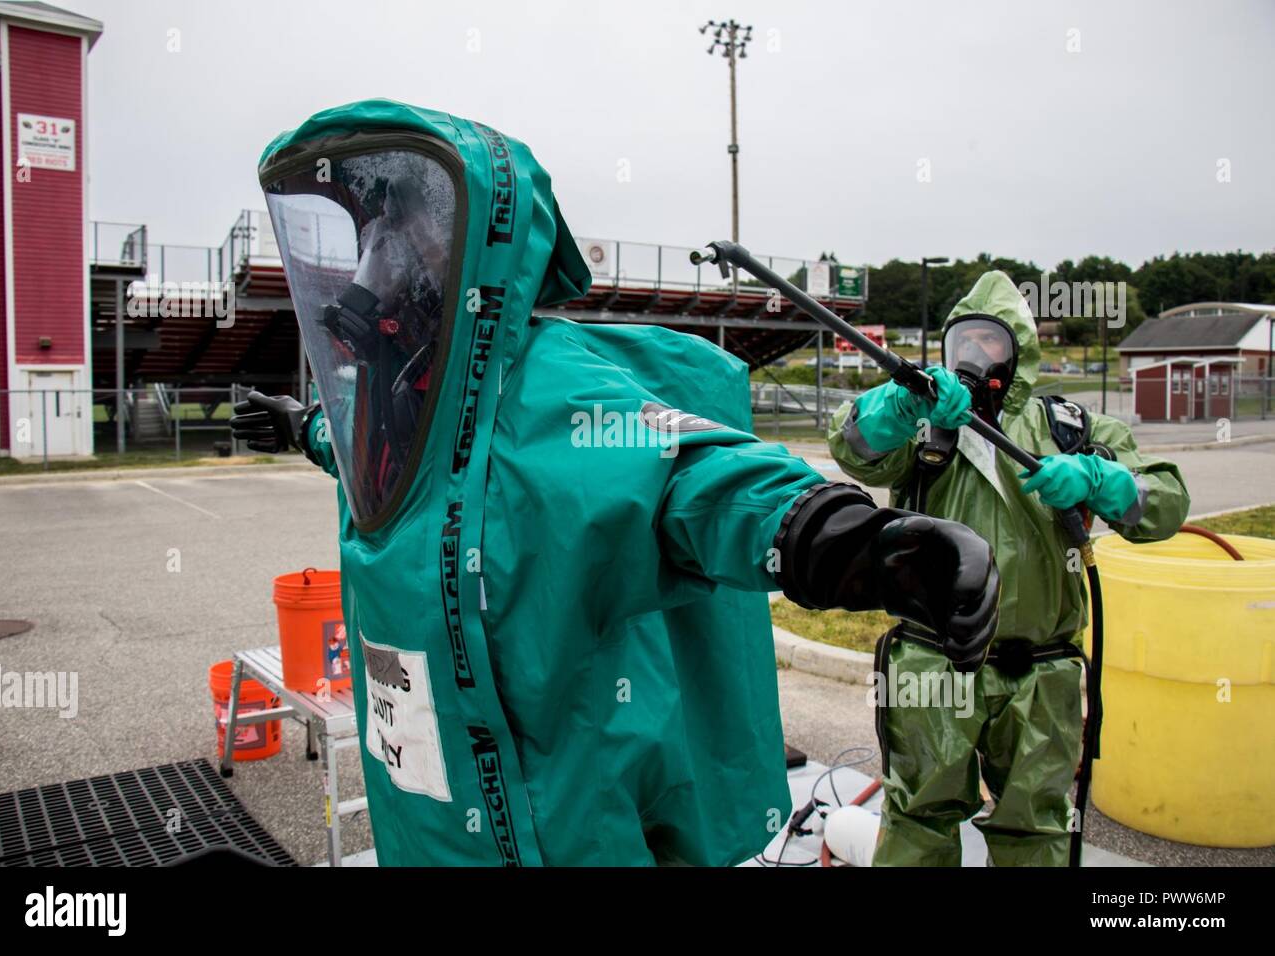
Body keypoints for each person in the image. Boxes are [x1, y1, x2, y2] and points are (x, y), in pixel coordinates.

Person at [229, 99, 1000, 866]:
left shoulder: (544, 387)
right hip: (424, 819)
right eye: (375, 230)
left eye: (408, 225)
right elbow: (391, 463)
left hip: (549, 825)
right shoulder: (404, 397)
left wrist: (850, 543)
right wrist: (305, 425)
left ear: (474, 245)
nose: (382, 255)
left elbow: (693, 477)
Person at [829, 270, 1189, 866]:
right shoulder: (925, 426)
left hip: (1040, 675)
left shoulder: (1070, 430)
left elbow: (1166, 502)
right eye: (962, 341)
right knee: (919, 819)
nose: (974, 355)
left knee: (1036, 830)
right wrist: (901, 402)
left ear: (1019, 350)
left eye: (991, 342)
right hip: (932, 665)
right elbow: (851, 445)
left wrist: (1101, 480)